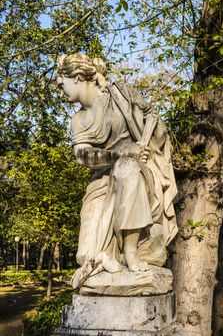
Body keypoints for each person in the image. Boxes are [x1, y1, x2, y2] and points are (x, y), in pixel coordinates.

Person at [57, 53, 178, 288]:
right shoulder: (78, 120)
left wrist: (148, 138)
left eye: (61, 82)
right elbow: (83, 157)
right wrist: (122, 153)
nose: (58, 87)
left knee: (126, 169)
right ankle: (107, 257)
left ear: (78, 77)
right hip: (103, 181)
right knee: (86, 256)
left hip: (141, 172)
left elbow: (152, 118)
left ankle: (131, 252)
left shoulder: (119, 94)